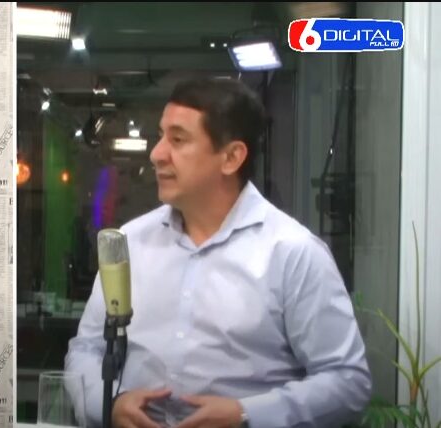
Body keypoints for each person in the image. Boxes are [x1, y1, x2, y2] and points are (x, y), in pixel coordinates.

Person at [65, 77, 371, 428]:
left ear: (231, 157)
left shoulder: (293, 253)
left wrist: (247, 414)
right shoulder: (130, 242)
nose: (156, 154)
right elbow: (86, 349)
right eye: (161, 136)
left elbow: (348, 381)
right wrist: (110, 405)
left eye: (178, 140)